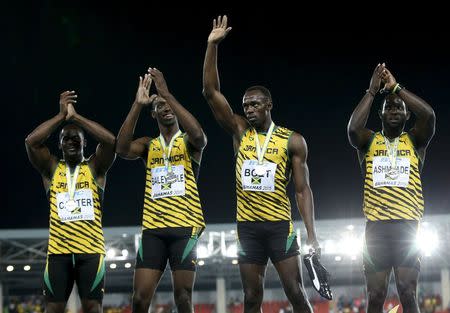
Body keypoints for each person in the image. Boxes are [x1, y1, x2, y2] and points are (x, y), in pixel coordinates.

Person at [202, 15, 322, 313]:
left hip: (280, 226)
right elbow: (210, 92)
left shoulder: (292, 140)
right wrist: (211, 47)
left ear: (269, 105)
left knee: (296, 292)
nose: (249, 109)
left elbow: (303, 190)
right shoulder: (240, 131)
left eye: (254, 104)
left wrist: (312, 234)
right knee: (251, 297)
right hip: (248, 229)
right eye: (245, 106)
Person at [116, 68, 207, 313]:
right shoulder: (148, 145)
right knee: (139, 299)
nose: (165, 107)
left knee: (183, 297)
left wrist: (166, 93)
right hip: (153, 230)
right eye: (159, 105)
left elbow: (200, 137)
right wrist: (137, 105)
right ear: (153, 113)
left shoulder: (188, 142)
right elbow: (122, 149)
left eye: (169, 105)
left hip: (185, 228)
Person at [347, 63, 436, 313]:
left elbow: (429, 115)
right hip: (376, 228)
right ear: (381, 115)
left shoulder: (415, 141)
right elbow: (353, 129)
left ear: (408, 116)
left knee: (408, 292)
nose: (394, 110)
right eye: (389, 107)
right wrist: (373, 92)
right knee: (375, 295)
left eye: (399, 108)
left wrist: (396, 88)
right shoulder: (368, 141)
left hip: (408, 226)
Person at [25, 90, 116, 313]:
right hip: (58, 255)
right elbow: (31, 141)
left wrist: (76, 118)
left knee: (93, 308)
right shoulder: (51, 169)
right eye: (66, 138)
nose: (71, 141)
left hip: (91, 253)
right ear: (59, 144)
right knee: (53, 309)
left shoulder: (95, 168)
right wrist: (60, 116)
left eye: (77, 138)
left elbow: (111, 141)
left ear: (85, 143)